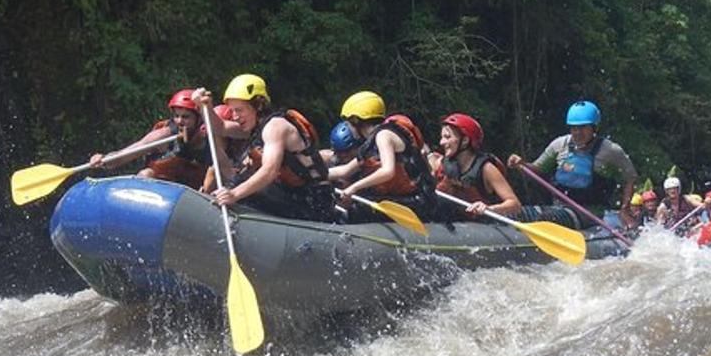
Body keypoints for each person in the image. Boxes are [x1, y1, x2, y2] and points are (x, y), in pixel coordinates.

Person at [192, 74, 333, 221]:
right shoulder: (256, 127)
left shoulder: (275, 126)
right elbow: (220, 127)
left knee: (243, 184)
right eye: (232, 111)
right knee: (241, 179)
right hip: (292, 195)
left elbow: (269, 171)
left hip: (312, 201)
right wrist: (206, 106)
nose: (234, 116)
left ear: (258, 105)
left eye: (239, 110)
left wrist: (234, 194)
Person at [507, 100, 638, 229]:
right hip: (558, 207)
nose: (577, 132)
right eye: (574, 128)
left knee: (549, 218)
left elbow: (630, 179)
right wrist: (522, 165)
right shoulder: (559, 144)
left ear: (594, 128)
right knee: (516, 213)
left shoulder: (611, 150)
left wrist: (624, 210)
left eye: (583, 128)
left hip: (590, 213)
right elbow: (537, 169)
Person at [328, 91, 436, 221]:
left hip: (418, 200)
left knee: (359, 207)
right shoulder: (370, 143)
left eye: (349, 123)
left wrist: (354, 187)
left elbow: (387, 171)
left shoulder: (384, 135)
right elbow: (344, 170)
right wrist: (313, 174)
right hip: (402, 198)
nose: (348, 127)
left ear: (356, 120)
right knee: (362, 200)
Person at [89, 89, 212, 189]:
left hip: (192, 196)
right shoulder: (163, 135)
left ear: (198, 119)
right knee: (146, 174)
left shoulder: (209, 139)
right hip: (162, 190)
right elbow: (124, 155)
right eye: (176, 116)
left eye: (186, 117)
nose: (179, 121)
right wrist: (104, 160)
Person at [429, 113, 521, 220]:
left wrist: (489, 209)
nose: (441, 142)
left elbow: (515, 205)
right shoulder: (440, 164)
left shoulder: (487, 169)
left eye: (447, 137)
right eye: (442, 137)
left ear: (465, 140)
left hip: (485, 225)